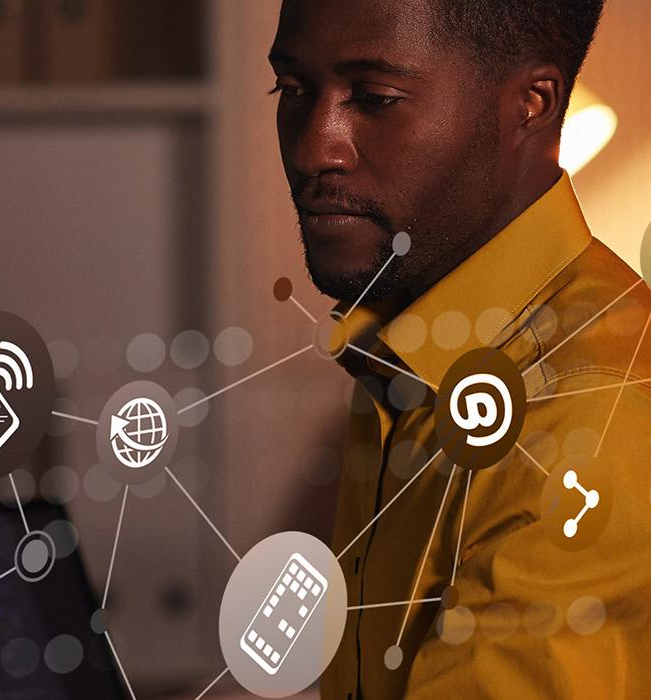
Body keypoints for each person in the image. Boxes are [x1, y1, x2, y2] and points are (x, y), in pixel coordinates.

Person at [269, 0, 651, 696]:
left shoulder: (587, 416)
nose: (313, 148)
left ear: (533, 104)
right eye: (292, 91)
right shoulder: (401, 348)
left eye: (375, 98)